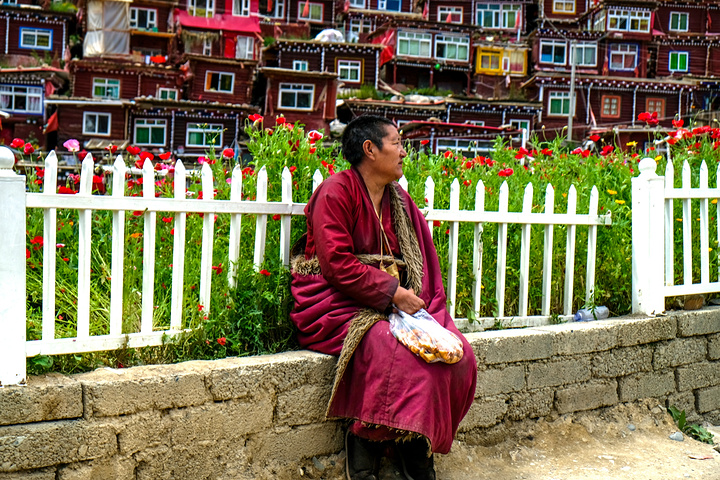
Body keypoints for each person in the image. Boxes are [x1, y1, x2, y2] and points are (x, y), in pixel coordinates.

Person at [290, 115, 477, 480]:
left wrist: (411, 305)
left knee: (458, 355)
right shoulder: (335, 192)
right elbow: (336, 264)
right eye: (397, 142)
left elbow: (421, 261)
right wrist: (391, 293)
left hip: (395, 301)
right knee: (395, 349)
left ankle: (413, 442)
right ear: (370, 149)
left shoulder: (399, 199)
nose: (404, 151)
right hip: (335, 301)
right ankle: (365, 441)